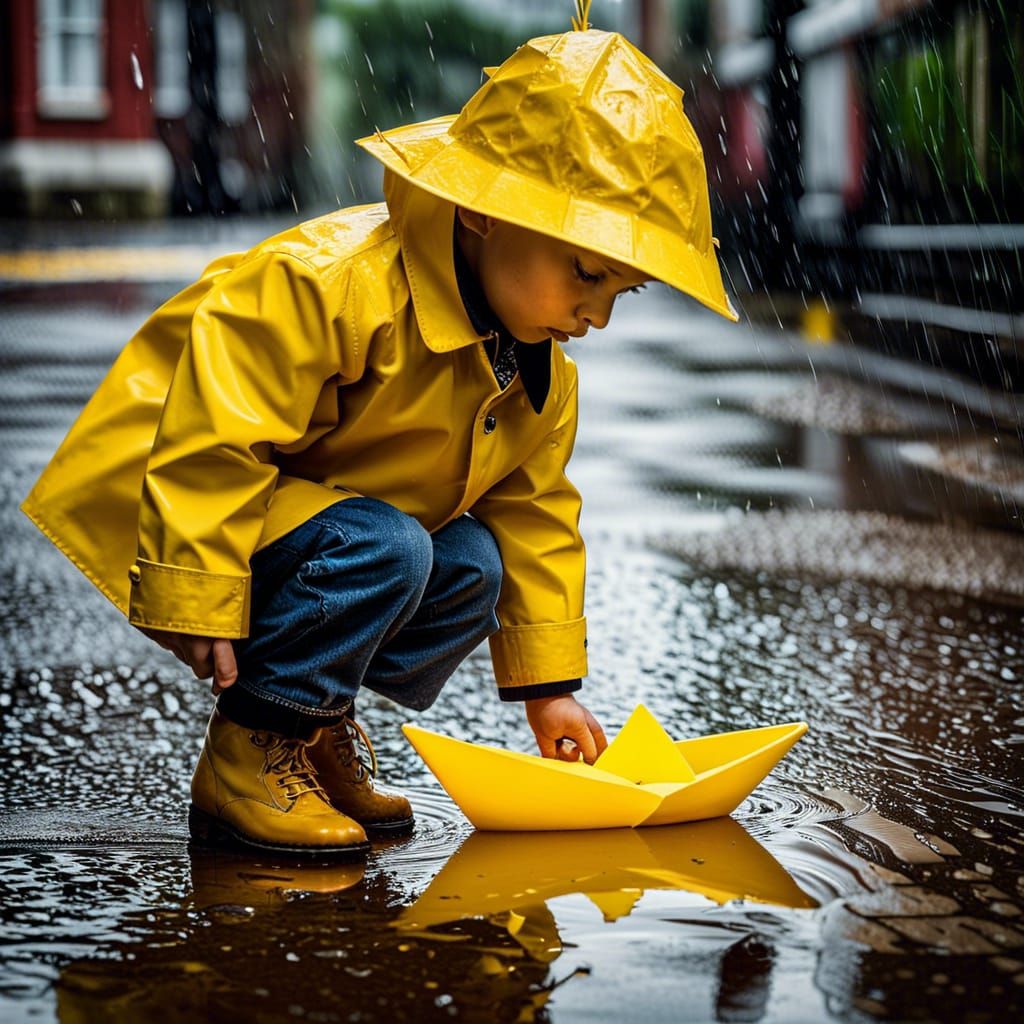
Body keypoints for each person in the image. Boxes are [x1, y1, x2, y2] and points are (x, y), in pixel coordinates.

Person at [20, 15, 737, 857]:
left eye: (627, 290)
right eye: (587, 272)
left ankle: (311, 722)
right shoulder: (332, 283)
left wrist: (550, 691)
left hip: (312, 519)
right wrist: (194, 580)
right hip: (179, 500)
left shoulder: (538, 373)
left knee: (472, 563)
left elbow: (538, 519)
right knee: (388, 549)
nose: (599, 314)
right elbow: (215, 431)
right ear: (481, 212)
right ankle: (247, 755)